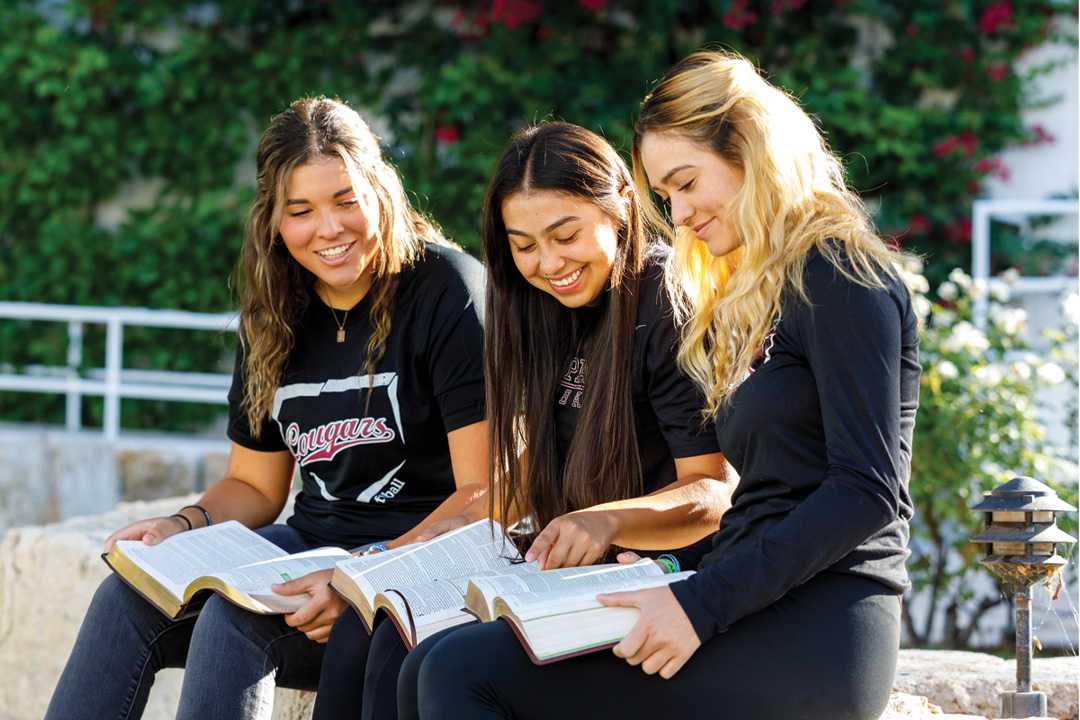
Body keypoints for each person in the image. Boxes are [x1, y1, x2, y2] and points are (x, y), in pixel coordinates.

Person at [411, 50, 921, 720]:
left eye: (686, 183)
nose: (677, 215)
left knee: (463, 672)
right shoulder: (765, 289)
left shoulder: (839, 274)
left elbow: (868, 489)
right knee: (430, 656)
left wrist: (701, 605)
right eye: (665, 195)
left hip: (822, 626)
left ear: (751, 150)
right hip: (744, 595)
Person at [44, 96, 489, 720]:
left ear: (382, 190)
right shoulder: (275, 313)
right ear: (274, 222)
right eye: (300, 210)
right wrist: (181, 525)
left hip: (418, 568)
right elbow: (254, 485)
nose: (328, 229)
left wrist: (364, 577)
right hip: (310, 549)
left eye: (345, 200)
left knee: (237, 617)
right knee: (124, 600)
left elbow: (490, 490)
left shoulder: (448, 291)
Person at [311, 122, 733, 720]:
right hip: (552, 571)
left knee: (437, 665)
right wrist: (385, 559)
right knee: (371, 621)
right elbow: (507, 491)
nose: (549, 262)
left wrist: (606, 522)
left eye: (566, 235)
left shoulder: (665, 300)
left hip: (659, 580)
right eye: (524, 244)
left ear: (622, 209)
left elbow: (715, 489)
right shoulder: (530, 308)